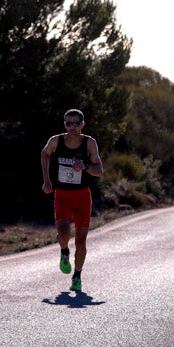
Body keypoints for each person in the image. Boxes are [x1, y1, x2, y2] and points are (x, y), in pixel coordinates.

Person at [40, 108, 103, 292]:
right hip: (62, 195)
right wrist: (46, 180)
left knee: (81, 241)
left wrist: (86, 166)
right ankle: (64, 251)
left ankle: (77, 276)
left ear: (82, 125)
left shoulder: (89, 143)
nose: (72, 127)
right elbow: (44, 154)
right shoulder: (56, 141)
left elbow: (99, 170)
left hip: (82, 196)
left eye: (76, 123)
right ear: (65, 124)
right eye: (69, 123)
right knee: (63, 234)